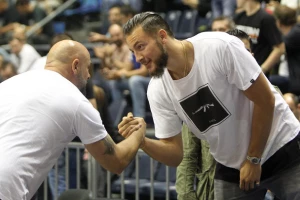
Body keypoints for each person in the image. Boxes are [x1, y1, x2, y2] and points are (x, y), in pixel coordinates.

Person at [119, 12, 300, 199]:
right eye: (133, 51)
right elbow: (174, 154)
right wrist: (142, 141)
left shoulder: (218, 47)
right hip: (232, 165)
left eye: (141, 47)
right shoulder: (157, 89)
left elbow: (266, 101)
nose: (138, 58)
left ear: (162, 36)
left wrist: (253, 159)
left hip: (280, 146)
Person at [0, 40, 145, 200]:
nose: (89, 75)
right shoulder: (76, 101)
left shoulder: (12, 83)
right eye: (87, 67)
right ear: (76, 66)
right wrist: (139, 132)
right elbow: (116, 161)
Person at [234, 0, 285, 76]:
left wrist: (262, 70)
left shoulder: (266, 18)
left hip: (256, 73)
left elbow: (279, 48)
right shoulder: (239, 17)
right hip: (240, 71)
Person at [273, 4, 300, 95]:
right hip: (293, 78)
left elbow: (278, 50)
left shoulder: (294, 33)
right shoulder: (295, 31)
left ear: (278, 22)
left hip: (296, 83)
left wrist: (262, 69)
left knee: (268, 81)